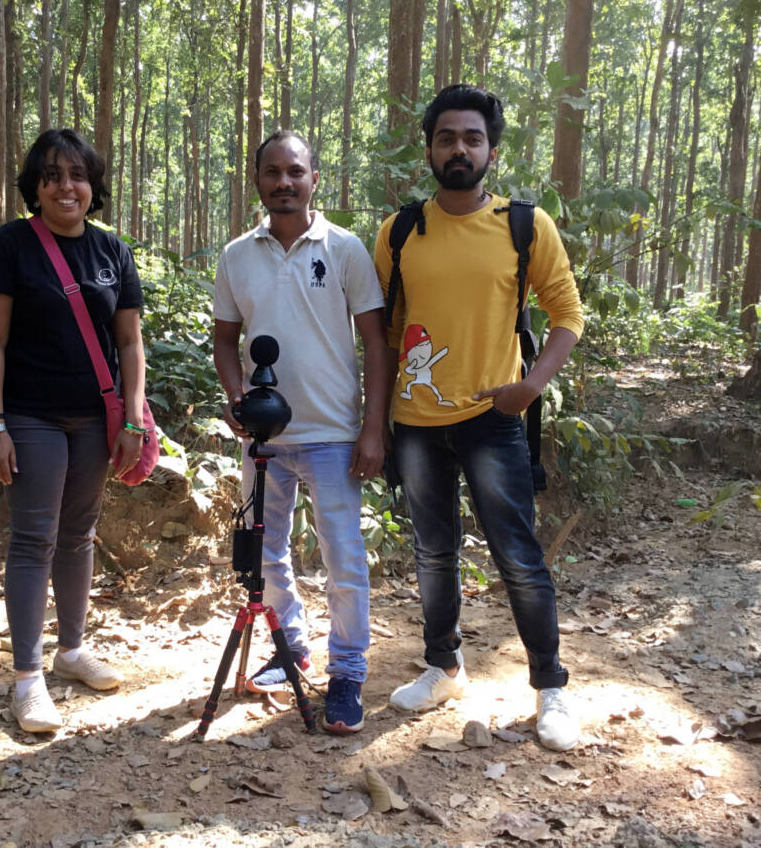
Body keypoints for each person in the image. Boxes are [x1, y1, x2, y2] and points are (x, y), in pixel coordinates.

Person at [374, 85, 584, 751]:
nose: (458, 149)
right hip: (415, 421)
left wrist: (531, 384)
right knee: (433, 551)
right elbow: (380, 334)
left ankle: (550, 690)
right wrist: (373, 422)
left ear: (491, 149)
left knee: (518, 555)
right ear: (429, 149)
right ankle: (443, 667)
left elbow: (566, 316)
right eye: (446, 138)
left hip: (495, 418)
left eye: (471, 138)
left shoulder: (525, 225)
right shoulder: (401, 230)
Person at [213, 131, 388, 734]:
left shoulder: (344, 249)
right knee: (265, 551)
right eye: (271, 172)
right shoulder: (237, 255)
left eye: (295, 171)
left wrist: (372, 426)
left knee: (344, 557)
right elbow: (224, 340)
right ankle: (289, 646)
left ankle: (347, 674)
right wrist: (238, 399)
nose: (283, 182)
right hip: (264, 437)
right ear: (256, 179)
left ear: (316, 179)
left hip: (335, 432)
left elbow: (374, 339)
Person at [0, 129, 146, 733]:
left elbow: (128, 341)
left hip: (95, 417)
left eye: (76, 175)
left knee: (79, 533)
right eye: (51, 176)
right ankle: (27, 679)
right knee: (33, 539)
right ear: (35, 188)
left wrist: (133, 416)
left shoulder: (112, 252)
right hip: (31, 414)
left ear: (93, 185)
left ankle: (71, 650)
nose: (65, 186)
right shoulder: (9, 246)